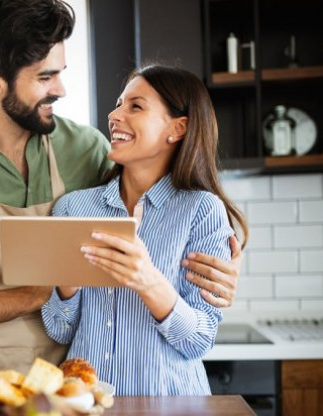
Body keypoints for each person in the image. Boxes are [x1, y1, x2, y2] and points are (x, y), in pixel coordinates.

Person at [0, 0, 242, 374]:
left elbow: (159, 207)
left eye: (61, 73)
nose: (61, 89)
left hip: (86, 384)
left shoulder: (88, 150)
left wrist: (218, 273)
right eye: (45, 77)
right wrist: (34, 295)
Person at [41, 64, 249, 395]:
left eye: (135, 106)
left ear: (178, 128)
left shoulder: (201, 210)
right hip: (88, 408)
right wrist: (67, 286)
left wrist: (148, 280)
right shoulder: (73, 209)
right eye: (119, 103)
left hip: (171, 411)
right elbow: (58, 328)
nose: (115, 114)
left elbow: (199, 340)